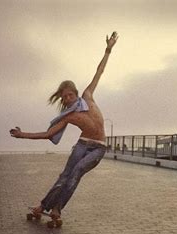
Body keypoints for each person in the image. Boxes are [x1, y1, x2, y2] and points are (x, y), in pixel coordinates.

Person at [10, 32, 119, 222]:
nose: (67, 99)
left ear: (75, 93)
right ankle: (45, 207)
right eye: (64, 97)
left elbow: (99, 72)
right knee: (65, 175)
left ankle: (56, 208)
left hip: (98, 148)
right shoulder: (68, 116)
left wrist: (108, 50)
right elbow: (47, 134)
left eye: (70, 95)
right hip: (82, 145)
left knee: (76, 173)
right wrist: (22, 135)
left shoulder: (88, 96)